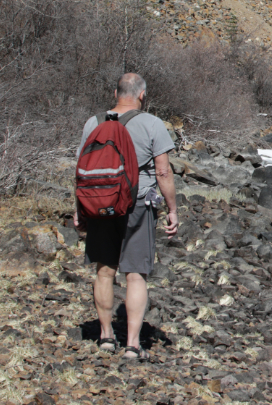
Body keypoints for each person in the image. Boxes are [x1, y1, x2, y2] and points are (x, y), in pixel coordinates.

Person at [74, 73, 179, 360]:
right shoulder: (152, 124)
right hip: (138, 206)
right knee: (135, 275)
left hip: (100, 206)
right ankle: (133, 344)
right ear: (142, 95)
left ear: (115, 91)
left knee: (104, 271)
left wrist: (79, 208)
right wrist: (172, 209)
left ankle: (106, 336)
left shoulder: (94, 122)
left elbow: (82, 170)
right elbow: (163, 172)